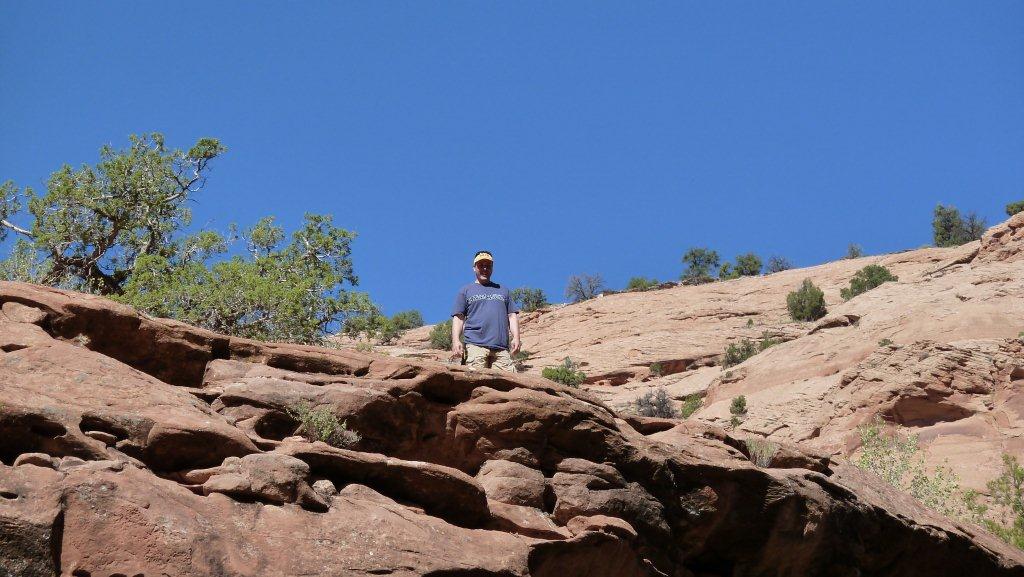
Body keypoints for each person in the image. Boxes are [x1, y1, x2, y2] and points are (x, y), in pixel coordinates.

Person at [451, 250, 520, 372]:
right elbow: (459, 318)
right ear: (474, 268)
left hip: (501, 348)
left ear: (492, 268)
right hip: (475, 346)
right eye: (481, 265)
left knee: (506, 382)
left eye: (488, 265)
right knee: (475, 380)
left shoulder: (503, 290)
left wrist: (516, 337)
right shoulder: (466, 290)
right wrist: (456, 340)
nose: (484, 268)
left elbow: (512, 316)